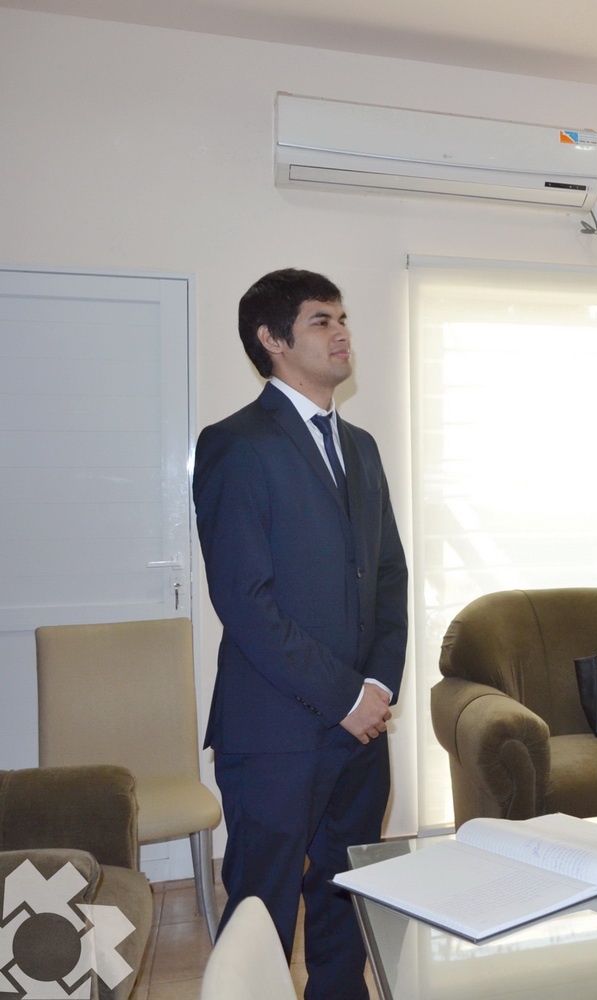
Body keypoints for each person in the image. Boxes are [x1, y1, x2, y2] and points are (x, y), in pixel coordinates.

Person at [194, 269, 407, 1000]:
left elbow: (388, 579)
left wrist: (376, 687)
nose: (342, 332)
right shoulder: (235, 445)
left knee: (346, 901)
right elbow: (244, 600)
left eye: (343, 318)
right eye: (321, 320)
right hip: (274, 734)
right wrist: (344, 695)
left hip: (360, 730)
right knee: (262, 914)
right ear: (272, 339)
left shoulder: (363, 447)